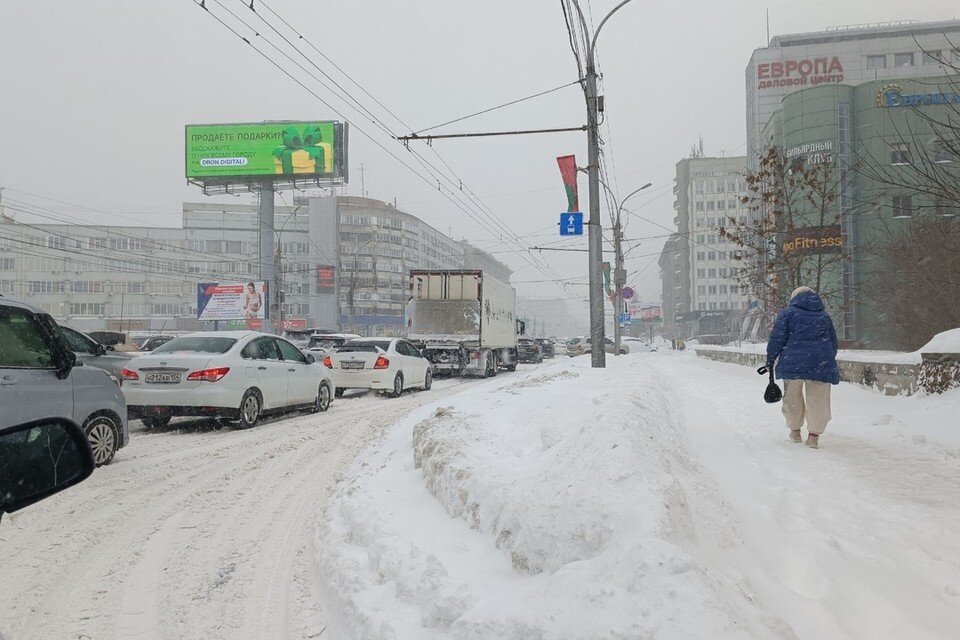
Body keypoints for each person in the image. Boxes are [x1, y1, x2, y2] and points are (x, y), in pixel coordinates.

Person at [766, 286, 840, 449]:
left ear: (794, 297)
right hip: (820, 363)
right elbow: (833, 342)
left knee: (792, 398)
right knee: (818, 399)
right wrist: (824, 357)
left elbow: (777, 339)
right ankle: (813, 436)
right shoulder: (824, 316)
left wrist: (770, 359)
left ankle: (795, 431)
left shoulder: (787, 314)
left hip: (793, 362)